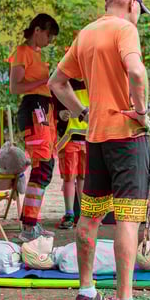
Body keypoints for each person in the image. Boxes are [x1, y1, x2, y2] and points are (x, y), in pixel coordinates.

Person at [49, 0, 150, 300]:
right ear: (131, 4)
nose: (139, 17)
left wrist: (83, 111)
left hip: (96, 138)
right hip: (128, 138)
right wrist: (141, 110)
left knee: (91, 217)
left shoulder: (86, 34)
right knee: (127, 218)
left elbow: (57, 82)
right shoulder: (125, 30)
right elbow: (136, 71)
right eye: (139, 11)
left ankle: (86, 292)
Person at [10, 13, 60, 243]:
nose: (49, 40)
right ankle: (28, 226)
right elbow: (15, 87)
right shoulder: (22, 52)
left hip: (45, 110)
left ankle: (32, 222)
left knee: (46, 167)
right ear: (37, 30)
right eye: (48, 35)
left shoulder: (38, 54)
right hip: (32, 110)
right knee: (41, 168)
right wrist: (43, 82)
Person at [54, 78, 89, 229]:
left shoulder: (93, 78)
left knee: (83, 177)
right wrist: (60, 113)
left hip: (89, 137)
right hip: (68, 138)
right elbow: (54, 103)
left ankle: (84, 214)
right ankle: (70, 213)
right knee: (69, 177)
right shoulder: (63, 79)